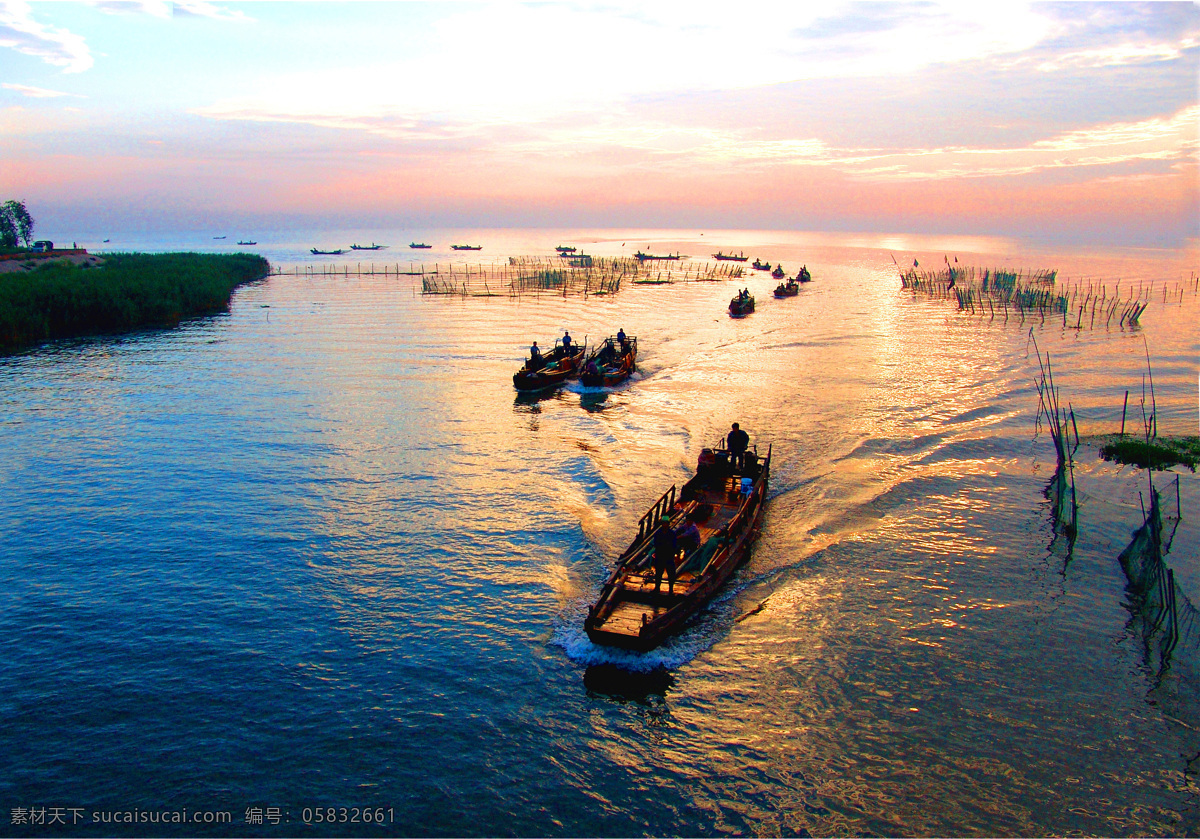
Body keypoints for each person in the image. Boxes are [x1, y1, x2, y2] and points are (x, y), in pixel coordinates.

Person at [652, 524, 678, 598]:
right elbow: (656, 544)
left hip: (668, 556)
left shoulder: (671, 534)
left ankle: (671, 590)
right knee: (659, 573)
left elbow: (674, 545)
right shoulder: (658, 533)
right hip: (661, 556)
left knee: (671, 574)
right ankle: (657, 588)